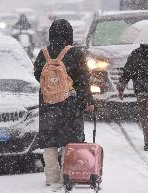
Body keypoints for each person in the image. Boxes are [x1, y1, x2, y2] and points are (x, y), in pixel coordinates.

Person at [33, 19, 94, 188]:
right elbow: (83, 80)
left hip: (47, 104)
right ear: (69, 34)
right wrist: (88, 100)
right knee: (70, 139)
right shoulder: (75, 53)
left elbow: (37, 75)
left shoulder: (43, 53)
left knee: (50, 141)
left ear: (51, 34)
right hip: (70, 104)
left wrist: (52, 84)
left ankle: (51, 178)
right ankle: (67, 174)